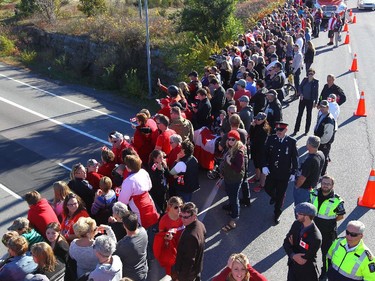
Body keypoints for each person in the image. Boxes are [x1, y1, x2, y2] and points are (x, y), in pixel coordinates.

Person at [309, 175, 345, 280]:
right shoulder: (313, 193)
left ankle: (324, 273)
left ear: (332, 186)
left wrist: (329, 222)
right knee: (309, 250)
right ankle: (310, 269)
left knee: (326, 255)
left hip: (328, 232)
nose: (325, 185)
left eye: (328, 184)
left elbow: (341, 216)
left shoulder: (337, 200)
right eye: (324, 183)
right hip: (313, 229)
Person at [262, 122, 298, 224]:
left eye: (280, 130)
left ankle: (277, 213)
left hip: (284, 174)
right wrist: (264, 165)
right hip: (272, 171)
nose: (278, 132)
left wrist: (293, 172)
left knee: (281, 195)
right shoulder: (271, 139)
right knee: (267, 188)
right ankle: (274, 197)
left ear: (286, 130)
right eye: (277, 130)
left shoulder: (291, 142)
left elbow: (295, 158)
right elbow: (265, 153)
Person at [118, 154, 160, 229]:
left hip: (139, 207)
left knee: (145, 227)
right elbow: (149, 186)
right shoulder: (143, 172)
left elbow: (122, 201)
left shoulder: (128, 181)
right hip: (149, 201)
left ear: (128, 167)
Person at [283, 202, 322, 281]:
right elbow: (286, 243)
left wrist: (292, 247)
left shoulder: (315, 238)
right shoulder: (296, 224)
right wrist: (293, 255)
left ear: (307, 216)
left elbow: (302, 260)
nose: (297, 214)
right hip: (292, 268)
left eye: (299, 213)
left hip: (306, 273)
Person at [172, 202, 206, 281]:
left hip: (188, 275)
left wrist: (180, 278)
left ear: (194, 216)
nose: (182, 219)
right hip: (197, 268)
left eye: (186, 217)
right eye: (181, 216)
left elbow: (188, 262)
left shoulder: (190, 236)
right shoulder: (201, 225)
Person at [220, 130, 245, 232]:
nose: (230, 141)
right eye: (229, 139)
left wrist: (230, 163)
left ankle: (234, 218)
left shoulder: (239, 152)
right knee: (229, 194)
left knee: (234, 198)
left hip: (234, 179)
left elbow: (239, 168)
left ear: (237, 140)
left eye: (232, 139)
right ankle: (230, 207)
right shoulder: (230, 148)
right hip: (228, 177)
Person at [153, 196, 184, 276]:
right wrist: (166, 236)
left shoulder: (183, 216)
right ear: (170, 207)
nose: (179, 210)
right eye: (176, 207)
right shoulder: (164, 220)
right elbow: (161, 236)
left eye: (181, 206)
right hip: (172, 248)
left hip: (182, 244)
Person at [115, 212, 149, 281]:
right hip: (143, 272)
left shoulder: (124, 244)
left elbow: (113, 255)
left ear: (124, 226)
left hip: (131, 277)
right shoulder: (143, 232)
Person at [294, 136, 325, 205]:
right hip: (313, 186)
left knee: (300, 209)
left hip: (304, 189)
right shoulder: (321, 154)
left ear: (309, 145)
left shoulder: (310, 161)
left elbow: (302, 178)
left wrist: (297, 186)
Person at [292, 68, 319, 136]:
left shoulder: (315, 82)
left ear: (313, 74)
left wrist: (315, 102)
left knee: (309, 115)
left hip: (310, 100)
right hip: (303, 99)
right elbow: (300, 87)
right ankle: (296, 130)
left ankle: (306, 130)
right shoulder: (305, 80)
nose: (310, 75)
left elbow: (316, 93)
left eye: (312, 74)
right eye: (309, 74)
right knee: (299, 114)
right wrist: (301, 94)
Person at [249, 112, 271, 191]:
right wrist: (252, 126)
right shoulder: (257, 126)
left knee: (262, 168)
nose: (256, 120)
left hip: (261, 151)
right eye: (255, 118)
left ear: (263, 120)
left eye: (258, 119)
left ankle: (262, 184)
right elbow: (251, 135)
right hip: (255, 149)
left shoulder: (263, 129)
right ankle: (257, 178)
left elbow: (258, 141)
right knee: (256, 165)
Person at [313, 100, 335, 176]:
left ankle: (322, 173)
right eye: (321, 107)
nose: (321, 108)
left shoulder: (329, 119)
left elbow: (327, 136)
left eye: (323, 107)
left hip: (324, 143)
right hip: (319, 140)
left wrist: (319, 142)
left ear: (328, 107)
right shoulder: (322, 114)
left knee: (324, 157)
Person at [148, 149, 169, 214]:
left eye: (162, 157)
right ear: (154, 159)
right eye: (160, 157)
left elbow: (168, 175)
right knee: (160, 205)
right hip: (158, 191)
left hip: (164, 188)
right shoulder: (153, 167)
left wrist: (166, 168)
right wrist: (160, 171)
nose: (162, 159)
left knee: (165, 202)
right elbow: (156, 181)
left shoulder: (161, 164)